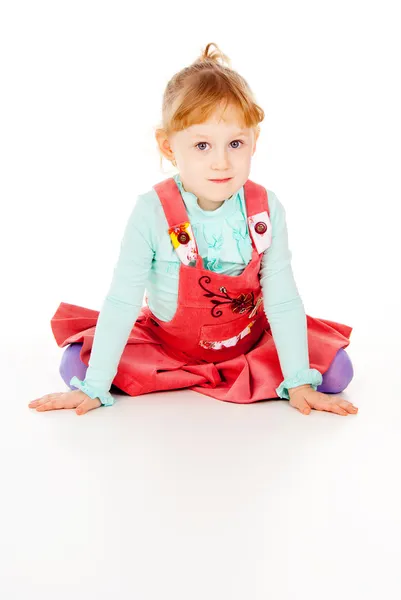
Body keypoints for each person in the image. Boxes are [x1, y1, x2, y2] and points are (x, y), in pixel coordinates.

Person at [29, 42, 358, 418]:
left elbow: (282, 297)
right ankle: (173, 372)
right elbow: (123, 298)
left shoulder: (266, 209)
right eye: (202, 145)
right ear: (168, 146)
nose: (221, 162)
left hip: (245, 342)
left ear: (255, 142)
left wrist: (298, 380)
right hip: (167, 344)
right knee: (78, 367)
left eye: (235, 143)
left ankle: (239, 372)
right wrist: (96, 385)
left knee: (335, 372)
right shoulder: (151, 211)